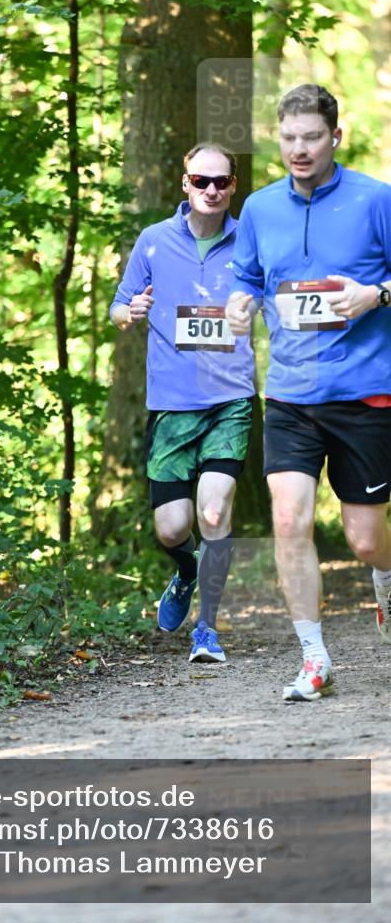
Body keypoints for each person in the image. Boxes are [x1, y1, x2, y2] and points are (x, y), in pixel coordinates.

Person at [226, 83, 391, 701]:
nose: (300, 149)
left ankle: (386, 581)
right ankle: (315, 659)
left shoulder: (377, 200)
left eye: (312, 138)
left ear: (335, 138)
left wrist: (377, 294)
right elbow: (245, 279)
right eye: (289, 138)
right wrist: (240, 306)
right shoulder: (262, 209)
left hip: (366, 392)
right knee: (289, 518)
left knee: (365, 537)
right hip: (291, 395)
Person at [110, 143, 256, 663]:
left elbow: (278, 297)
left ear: (234, 185)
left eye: (221, 182)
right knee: (173, 528)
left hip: (230, 399)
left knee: (213, 511)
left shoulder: (250, 240)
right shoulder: (153, 241)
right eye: (201, 181)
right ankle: (186, 571)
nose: (211, 190)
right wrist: (132, 309)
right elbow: (118, 307)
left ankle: (207, 630)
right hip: (172, 404)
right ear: (184, 183)